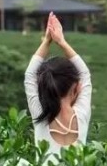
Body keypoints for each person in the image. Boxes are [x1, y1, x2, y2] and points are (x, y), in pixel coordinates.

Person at [24, 12, 92, 158]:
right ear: (76, 87)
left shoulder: (40, 115)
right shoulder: (82, 114)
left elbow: (29, 75)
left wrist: (46, 40)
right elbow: (85, 75)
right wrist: (61, 42)